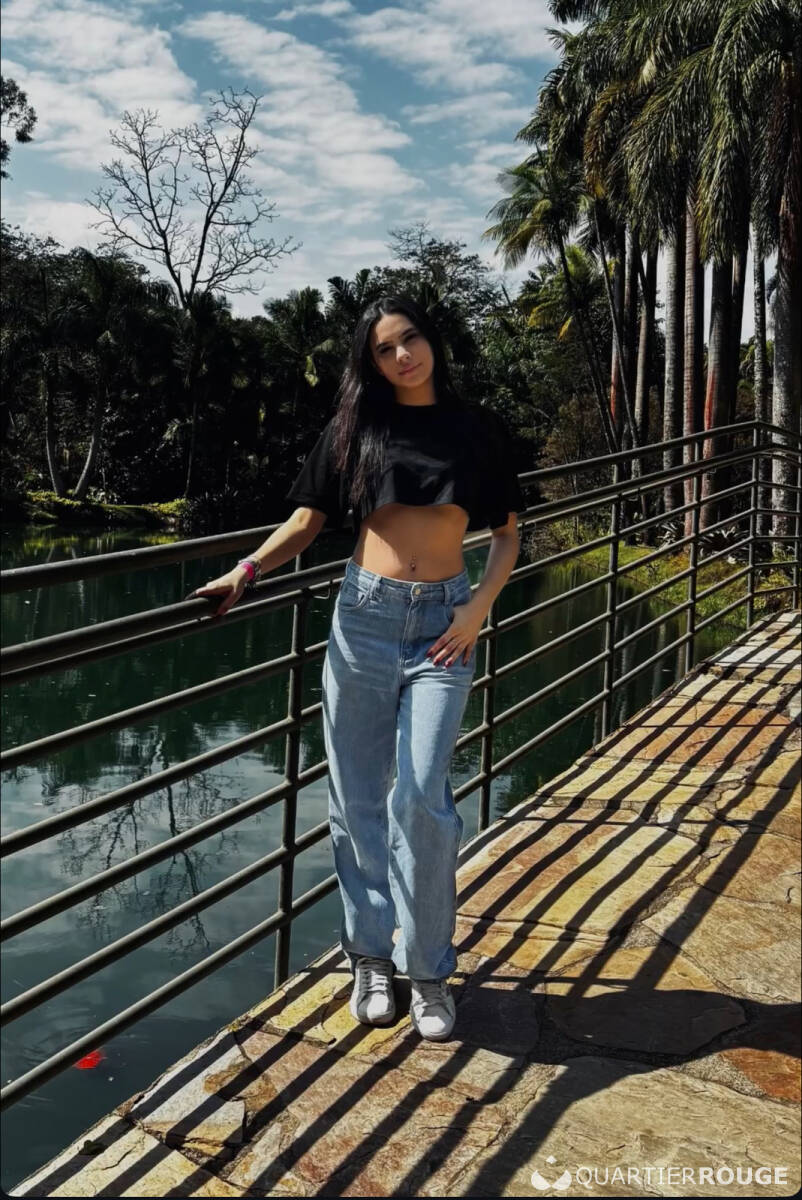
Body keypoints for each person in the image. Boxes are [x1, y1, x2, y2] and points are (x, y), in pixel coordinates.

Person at [191, 295, 523, 1041]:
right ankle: (370, 959)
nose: (403, 355)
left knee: (423, 798)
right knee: (355, 801)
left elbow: (507, 534)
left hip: (444, 628)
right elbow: (306, 522)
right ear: (369, 363)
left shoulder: (476, 429)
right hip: (364, 622)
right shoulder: (355, 428)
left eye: (411, 338)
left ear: (432, 339)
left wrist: (477, 610)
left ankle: (428, 970)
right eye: (384, 349)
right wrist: (245, 572)